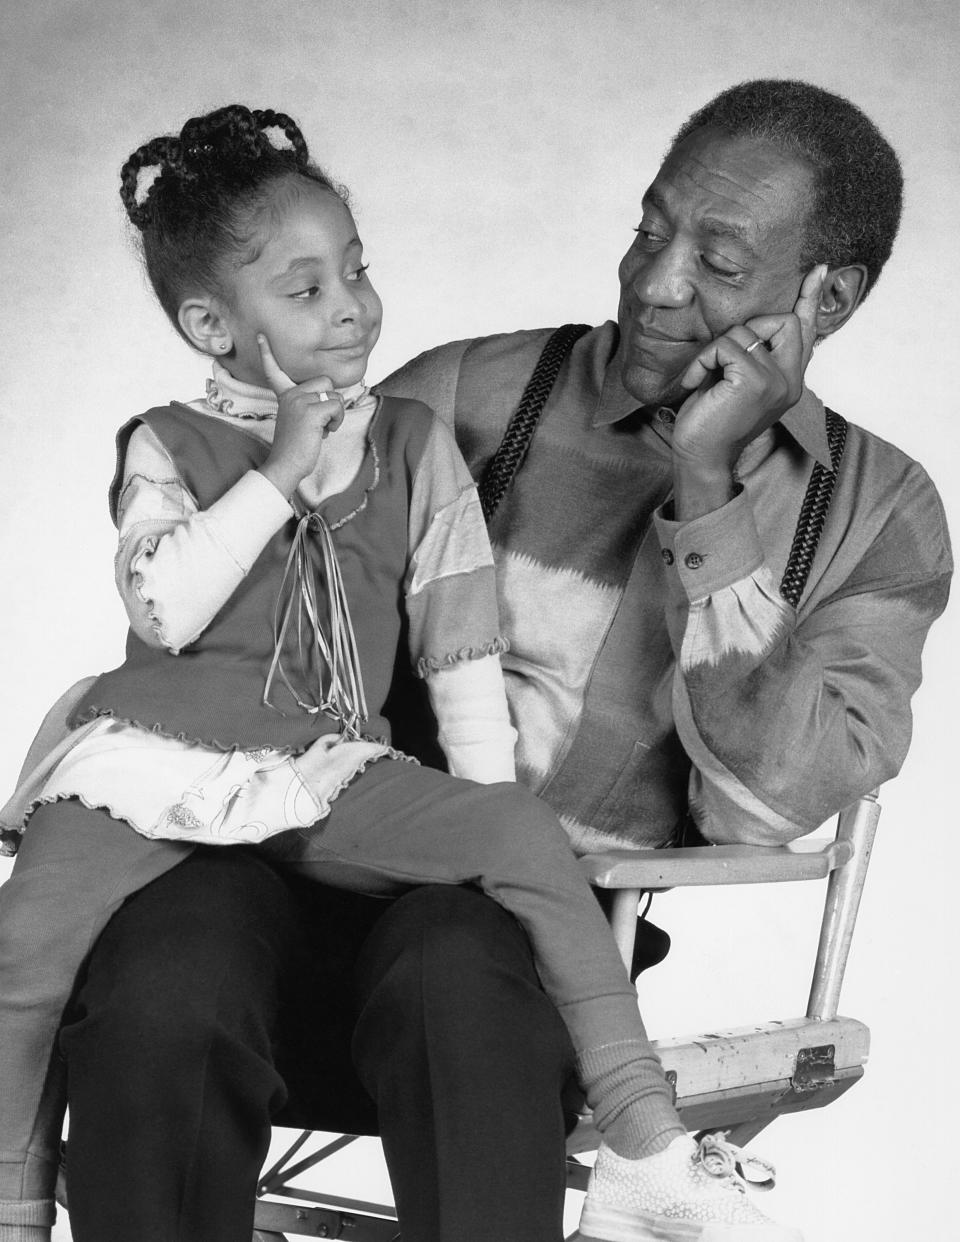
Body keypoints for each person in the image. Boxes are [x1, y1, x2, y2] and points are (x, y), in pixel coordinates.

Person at [3, 78, 951, 1242]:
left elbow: (765, 808)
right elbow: (221, 615)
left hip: (524, 948)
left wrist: (709, 493)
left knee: (455, 962)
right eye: (650, 228)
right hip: (286, 861)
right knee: (169, 952)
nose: (656, 282)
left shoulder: (876, 515)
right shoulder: (462, 395)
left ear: (827, 294)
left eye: (719, 258)